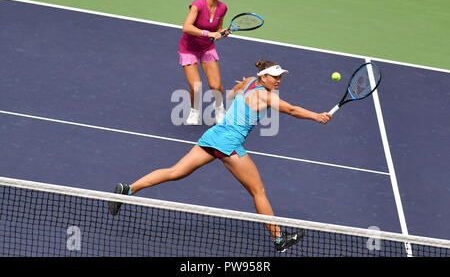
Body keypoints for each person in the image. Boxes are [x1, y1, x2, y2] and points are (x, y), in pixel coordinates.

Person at [109, 60, 332, 252]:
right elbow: (291, 109)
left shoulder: (250, 83)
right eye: (275, 77)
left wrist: (241, 86)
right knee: (258, 191)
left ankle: (128, 189)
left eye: (280, 77)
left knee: (175, 171)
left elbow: (233, 93)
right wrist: (316, 116)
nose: (279, 80)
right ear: (263, 77)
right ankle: (279, 240)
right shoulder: (264, 96)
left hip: (213, 136)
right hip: (229, 145)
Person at [179, 0, 230, 125]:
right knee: (196, 86)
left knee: (215, 86)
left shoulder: (223, 8)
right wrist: (208, 34)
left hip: (207, 48)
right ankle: (194, 111)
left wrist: (222, 33)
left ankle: (220, 109)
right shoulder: (197, 5)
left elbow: (218, 29)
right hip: (189, 49)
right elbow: (186, 27)